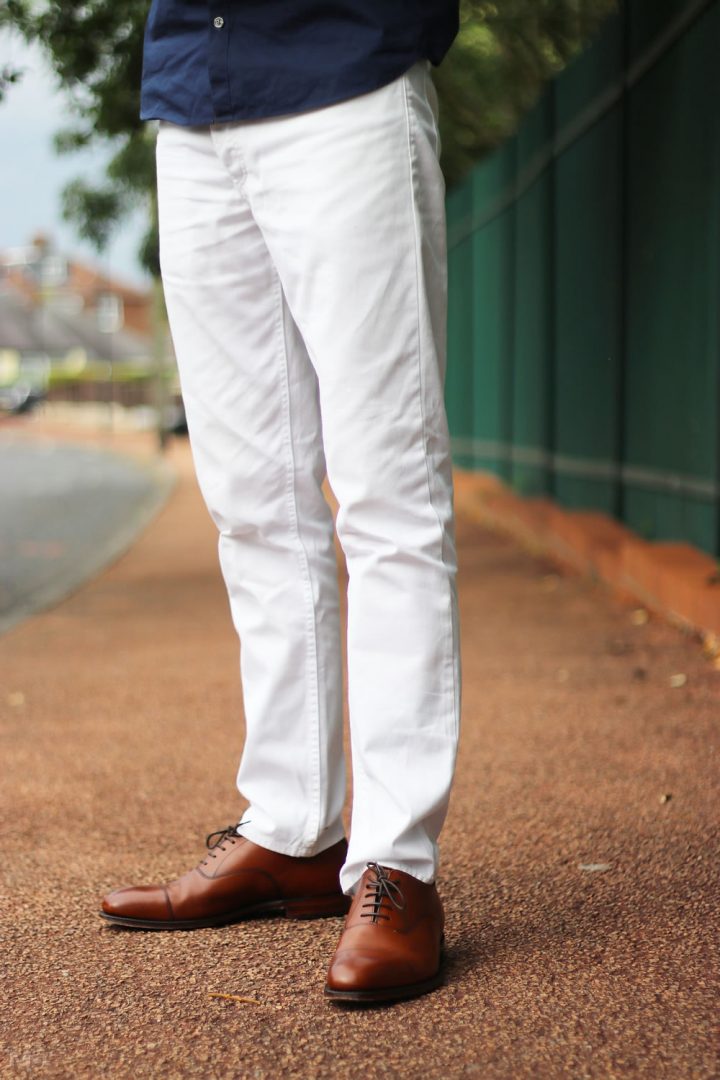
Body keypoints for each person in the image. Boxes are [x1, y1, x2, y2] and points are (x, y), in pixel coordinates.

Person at [100, 0, 462, 1005]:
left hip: (343, 69)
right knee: (254, 504)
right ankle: (295, 827)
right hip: (190, 92)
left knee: (388, 496)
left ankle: (399, 864)